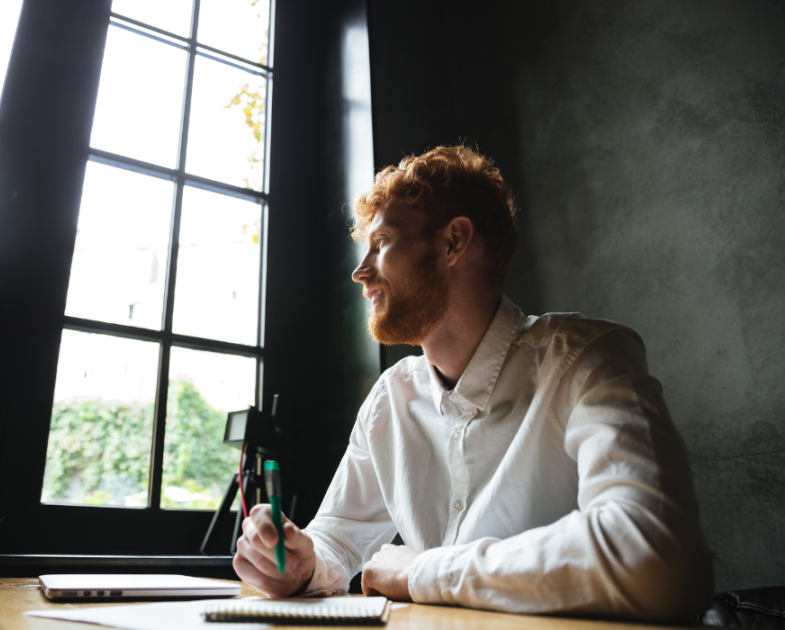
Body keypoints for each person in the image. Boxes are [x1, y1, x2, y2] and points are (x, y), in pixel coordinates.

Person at [233, 145, 713, 620]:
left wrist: (425, 572)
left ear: (453, 242)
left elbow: (657, 556)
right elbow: (339, 536)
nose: (361, 272)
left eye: (381, 244)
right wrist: (303, 564)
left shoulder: (586, 359)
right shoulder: (389, 399)